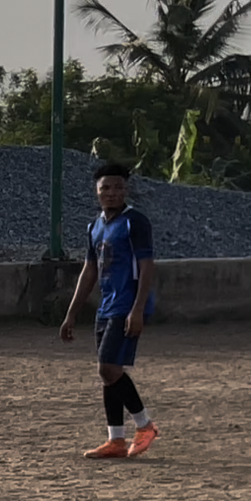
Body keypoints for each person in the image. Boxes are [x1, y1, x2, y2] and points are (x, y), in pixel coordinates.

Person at [61, 165, 160, 459]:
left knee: (108, 368)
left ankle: (144, 425)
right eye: (106, 188)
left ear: (125, 190)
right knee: (109, 374)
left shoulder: (135, 222)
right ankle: (116, 439)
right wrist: (71, 312)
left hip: (127, 306)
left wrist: (138, 309)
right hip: (106, 306)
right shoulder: (95, 227)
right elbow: (89, 271)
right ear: (97, 191)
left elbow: (146, 266)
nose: (111, 193)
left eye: (117, 187)